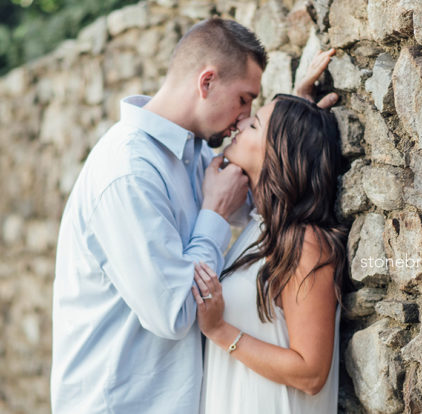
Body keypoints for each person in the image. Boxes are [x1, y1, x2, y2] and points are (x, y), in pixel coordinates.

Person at [50, 18, 267, 413]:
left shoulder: (194, 153)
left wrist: (291, 130)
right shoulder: (128, 171)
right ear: (207, 83)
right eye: (244, 99)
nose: (243, 116)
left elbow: (258, 204)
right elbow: (176, 312)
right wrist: (214, 213)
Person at [192, 91, 349, 413]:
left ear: (280, 152)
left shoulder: (305, 244)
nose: (241, 123)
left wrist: (219, 331)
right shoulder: (259, 228)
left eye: (255, 125)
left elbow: (311, 372)